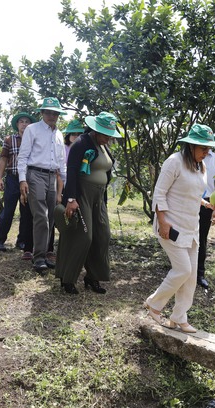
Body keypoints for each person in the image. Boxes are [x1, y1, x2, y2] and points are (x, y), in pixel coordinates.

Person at [143, 124, 215, 333]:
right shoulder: (174, 162)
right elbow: (159, 193)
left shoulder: (201, 167)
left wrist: (207, 204)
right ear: (190, 146)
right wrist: (162, 222)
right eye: (203, 148)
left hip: (191, 227)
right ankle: (154, 304)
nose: (207, 152)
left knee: (191, 276)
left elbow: (193, 193)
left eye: (208, 148)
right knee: (182, 270)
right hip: (171, 225)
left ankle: (179, 317)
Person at [56, 112, 120, 294]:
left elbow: (106, 174)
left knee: (103, 235)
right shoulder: (82, 143)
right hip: (82, 194)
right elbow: (73, 171)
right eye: (105, 133)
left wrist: (104, 200)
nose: (108, 137)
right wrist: (71, 199)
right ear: (95, 130)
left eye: (110, 134)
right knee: (83, 236)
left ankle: (93, 277)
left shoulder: (103, 147)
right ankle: (67, 278)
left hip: (98, 198)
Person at [17, 97, 67, 273]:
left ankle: (45, 254)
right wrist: (22, 179)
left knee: (51, 217)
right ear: (42, 113)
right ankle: (38, 258)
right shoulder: (33, 129)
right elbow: (22, 156)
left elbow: (62, 162)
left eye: (55, 113)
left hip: (52, 177)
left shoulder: (59, 134)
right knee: (41, 216)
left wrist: (65, 184)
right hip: (35, 174)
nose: (52, 116)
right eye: (49, 112)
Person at [0, 111, 36, 260]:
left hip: (29, 179)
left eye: (27, 122)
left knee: (26, 212)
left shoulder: (34, 140)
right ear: (17, 124)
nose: (24, 124)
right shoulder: (9, 139)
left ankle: (22, 241)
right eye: (21, 121)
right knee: (8, 210)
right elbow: (3, 159)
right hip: (12, 178)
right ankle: (0, 240)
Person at [48, 119, 86, 264]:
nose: (75, 137)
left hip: (79, 189)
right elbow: (60, 172)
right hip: (64, 188)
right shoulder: (64, 149)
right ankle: (55, 251)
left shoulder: (84, 150)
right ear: (68, 135)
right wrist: (60, 193)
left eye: (79, 134)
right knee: (62, 220)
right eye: (73, 134)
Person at [197, 148, 215, 289]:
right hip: (188, 200)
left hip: (208, 203)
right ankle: (182, 270)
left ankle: (199, 274)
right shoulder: (188, 158)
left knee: (202, 238)